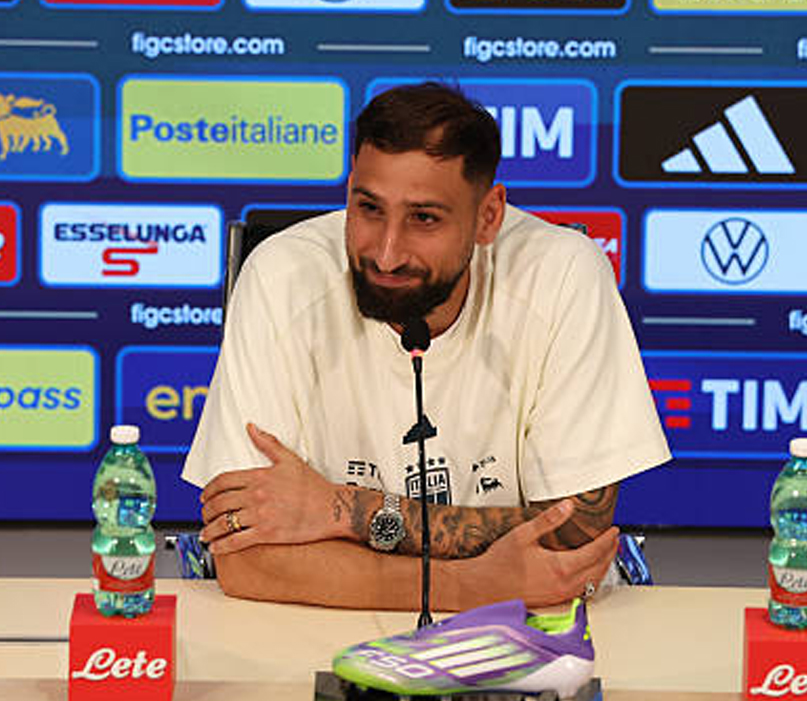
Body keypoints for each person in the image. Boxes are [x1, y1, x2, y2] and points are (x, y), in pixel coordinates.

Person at [182, 82, 669, 610]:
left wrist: (342, 511)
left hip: (535, 633)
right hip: (319, 632)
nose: (387, 254)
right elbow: (247, 560)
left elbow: (573, 538)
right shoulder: (283, 276)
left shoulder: (564, 275)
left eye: (424, 218)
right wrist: (474, 585)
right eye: (369, 208)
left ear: (488, 216)